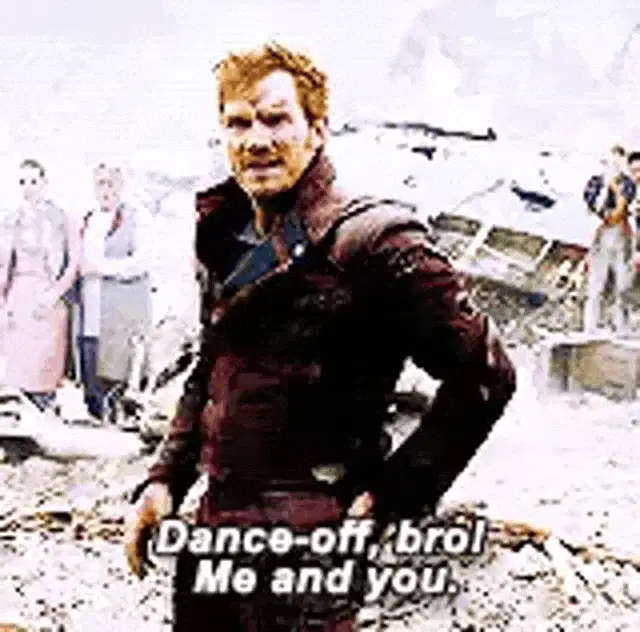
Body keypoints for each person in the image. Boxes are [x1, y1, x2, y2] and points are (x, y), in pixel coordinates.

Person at [124, 42, 517, 632]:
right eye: (238, 123)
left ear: (317, 129)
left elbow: (486, 374)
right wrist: (164, 481)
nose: (256, 140)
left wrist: (394, 494)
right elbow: (211, 364)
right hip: (214, 532)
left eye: (276, 119)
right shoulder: (223, 234)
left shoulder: (378, 241)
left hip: (314, 537)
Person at [0, 159, 82, 410]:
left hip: (49, 294)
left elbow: (74, 263)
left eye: (34, 181)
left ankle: (44, 405)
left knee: (45, 362)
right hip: (18, 293)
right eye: (22, 182)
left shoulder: (61, 218)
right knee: (16, 361)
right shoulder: (11, 219)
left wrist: (53, 294)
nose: (28, 187)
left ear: (44, 183)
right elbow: (4, 265)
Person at [77, 163, 154, 420]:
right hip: (89, 308)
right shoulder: (88, 219)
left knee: (118, 373)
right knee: (89, 370)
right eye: (101, 183)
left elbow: (142, 262)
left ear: (122, 186)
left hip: (121, 310)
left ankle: (117, 417)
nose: (106, 189)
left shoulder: (137, 217)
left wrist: (101, 267)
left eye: (111, 183)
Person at [582, 145, 637, 333]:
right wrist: (607, 191)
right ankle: (590, 327)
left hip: (622, 237)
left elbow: (618, 212)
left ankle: (621, 327)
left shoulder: (627, 184)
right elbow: (595, 208)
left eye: (618, 161)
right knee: (595, 284)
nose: (614, 165)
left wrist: (614, 190)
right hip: (601, 237)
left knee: (622, 286)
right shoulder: (594, 183)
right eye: (610, 161)